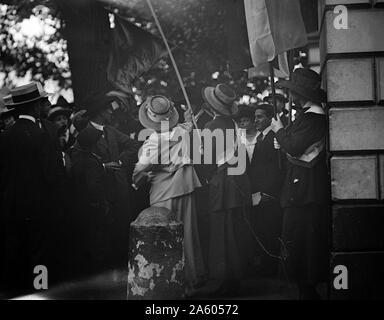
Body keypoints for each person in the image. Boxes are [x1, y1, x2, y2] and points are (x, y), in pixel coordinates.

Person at [132, 95, 205, 294]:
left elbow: (139, 173)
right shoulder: (180, 131)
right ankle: (190, 278)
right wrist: (189, 119)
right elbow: (187, 126)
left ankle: (169, 283)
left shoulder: (153, 142)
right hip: (186, 186)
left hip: (164, 193)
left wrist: (137, 178)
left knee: (165, 237)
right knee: (187, 233)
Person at [0, 82, 65, 297]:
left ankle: (17, 292)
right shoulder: (43, 135)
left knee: (17, 252)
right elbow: (52, 175)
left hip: (12, 209)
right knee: (40, 255)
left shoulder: (5, 136)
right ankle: (41, 290)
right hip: (40, 209)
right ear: (34, 107)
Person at [271, 68, 330, 299]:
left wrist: (279, 133)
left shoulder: (313, 117)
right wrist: (282, 138)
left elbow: (295, 146)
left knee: (305, 245)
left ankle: (308, 291)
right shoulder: (307, 116)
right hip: (300, 189)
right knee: (299, 243)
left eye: (292, 90)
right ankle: (305, 290)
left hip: (306, 190)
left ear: (300, 93)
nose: (289, 94)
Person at [200, 84, 253, 296]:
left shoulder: (209, 127)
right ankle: (236, 277)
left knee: (222, 232)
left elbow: (203, 162)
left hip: (222, 183)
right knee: (235, 230)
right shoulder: (234, 125)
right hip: (239, 181)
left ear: (211, 106)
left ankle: (225, 280)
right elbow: (244, 158)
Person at [76, 93, 140, 268]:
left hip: (118, 188)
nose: (111, 113)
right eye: (107, 110)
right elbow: (80, 161)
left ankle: (123, 266)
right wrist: (103, 166)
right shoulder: (84, 133)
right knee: (103, 231)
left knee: (122, 227)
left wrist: (120, 161)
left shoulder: (110, 130)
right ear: (99, 112)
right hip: (100, 190)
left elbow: (134, 145)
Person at [245, 103, 284, 277]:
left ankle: (271, 269)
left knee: (270, 231)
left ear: (270, 118)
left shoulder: (274, 138)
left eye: (260, 116)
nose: (256, 120)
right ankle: (264, 266)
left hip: (268, 195)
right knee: (261, 230)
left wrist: (269, 192)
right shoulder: (259, 138)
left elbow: (277, 169)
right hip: (257, 194)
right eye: (255, 117)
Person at [70, 126, 109, 277]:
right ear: (92, 144)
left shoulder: (73, 154)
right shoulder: (91, 161)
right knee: (95, 243)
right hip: (91, 210)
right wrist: (100, 205)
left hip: (76, 207)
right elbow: (93, 188)